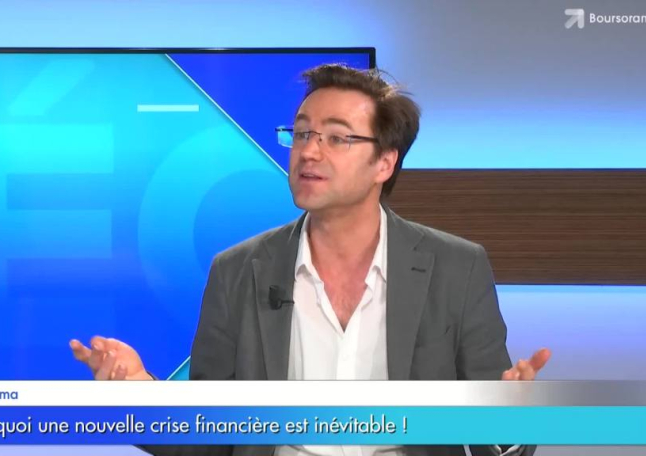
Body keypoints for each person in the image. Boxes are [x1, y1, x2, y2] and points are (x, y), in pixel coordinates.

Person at [70, 64, 551, 456]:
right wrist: (141, 394)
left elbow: (495, 440)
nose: (308, 152)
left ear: (385, 162)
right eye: (301, 134)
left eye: (336, 138)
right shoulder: (237, 271)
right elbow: (209, 439)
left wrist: (507, 420)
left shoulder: (456, 268)